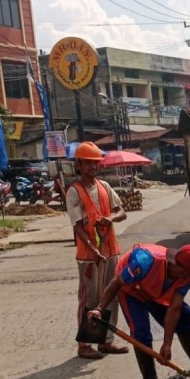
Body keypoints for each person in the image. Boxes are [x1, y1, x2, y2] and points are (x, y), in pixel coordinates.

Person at [89, 243, 190, 379]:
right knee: (141, 330)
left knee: (185, 316)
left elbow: (174, 309)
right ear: (175, 263)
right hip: (131, 291)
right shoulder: (144, 261)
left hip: (154, 290)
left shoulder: (186, 278)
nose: (187, 277)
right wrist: (99, 308)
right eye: (185, 273)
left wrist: (167, 344)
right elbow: (116, 283)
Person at [66, 141, 128, 360]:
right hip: (89, 256)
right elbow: (77, 227)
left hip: (110, 250)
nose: (93, 167)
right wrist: (92, 248)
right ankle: (84, 345)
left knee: (111, 296)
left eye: (95, 163)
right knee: (90, 300)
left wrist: (110, 218)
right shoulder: (74, 191)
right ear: (79, 165)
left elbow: (121, 212)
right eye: (88, 163)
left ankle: (106, 341)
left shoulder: (104, 186)